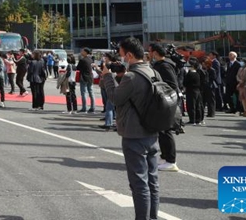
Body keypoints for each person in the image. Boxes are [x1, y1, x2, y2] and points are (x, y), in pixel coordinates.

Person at [101, 37, 160, 220]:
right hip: (152, 131)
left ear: (129, 54)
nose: (121, 58)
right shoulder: (152, 72)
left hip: (134, 133)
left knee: (139, 183)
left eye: (122, 55)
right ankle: (153, 217)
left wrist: (107, 77)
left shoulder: (131, 77)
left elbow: (115, 98)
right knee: (152, 181)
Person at [148, 43, 180, 172]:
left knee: (166, 131)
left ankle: (171, 160)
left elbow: (172, 84)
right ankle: (165, 156)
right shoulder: (160, 65)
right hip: (161, 101)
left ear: (155, 53)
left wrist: (158, 89)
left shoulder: (165, 66)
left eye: (150, 51)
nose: (148, 54)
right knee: (161, 131)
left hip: (166, 101)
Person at [77, 47, 96, 113]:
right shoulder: (90, 59)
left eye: (82, 51)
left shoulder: (82, 60)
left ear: (85, 52)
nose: (81, 52)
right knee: (91, 92)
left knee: (84, 93)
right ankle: (93, 107)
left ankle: (84, 107)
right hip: (90, 77)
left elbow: (78, 68)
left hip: (84, 77)